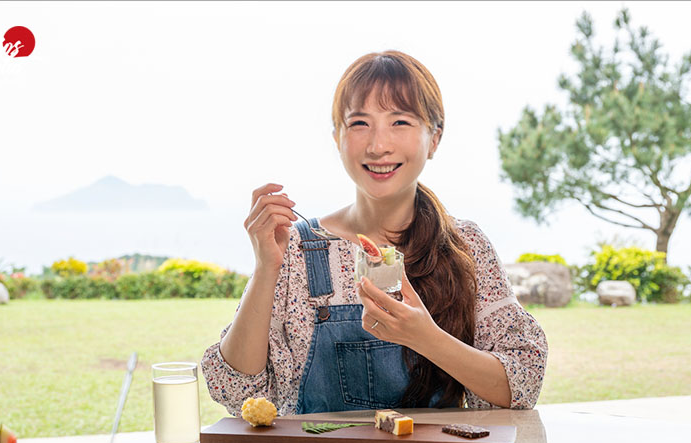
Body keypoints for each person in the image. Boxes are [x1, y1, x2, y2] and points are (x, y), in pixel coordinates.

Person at [201, 50, 547, 415]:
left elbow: (521, 383)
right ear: (337, 137)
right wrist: (265, 267)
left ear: (434, 138)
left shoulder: (465, 247)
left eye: (400, 122)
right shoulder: (295, 248)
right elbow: (235, 391)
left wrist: (425, 338)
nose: (378, 145)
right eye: (359, 123)